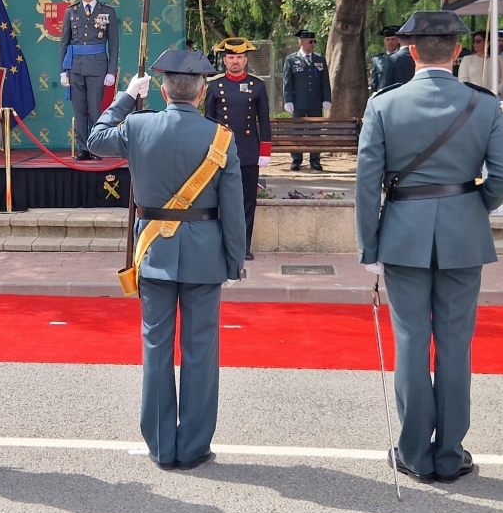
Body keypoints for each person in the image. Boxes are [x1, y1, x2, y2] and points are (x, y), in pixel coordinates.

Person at [356, 10, 503, 485]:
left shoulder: (384, 105)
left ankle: (413, 453)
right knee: (454, 345)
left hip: (403, 233)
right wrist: (473, 205)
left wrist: (369, 248)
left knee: (411, 342)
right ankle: (449, 454)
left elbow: (368, 184)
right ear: (456, 52)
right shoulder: (483, 103)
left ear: (411, 51)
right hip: (462, 231)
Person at [88, 49, 246, 470]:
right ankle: (193, 447)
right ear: (202, 90)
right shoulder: (220, 138)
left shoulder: (138, 126)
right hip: (204, 254)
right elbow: (234, 209)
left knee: (156, 349)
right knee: (200, 351)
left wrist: (125, 97)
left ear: (161, 88)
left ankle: (161, 444)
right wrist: (233, 262)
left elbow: (94, 138)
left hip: (154, 252)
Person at [204, 37, 270, 260]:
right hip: (222, 151)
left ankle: (244, 246)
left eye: (239, 57)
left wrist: (265, 151)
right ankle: (220, 244)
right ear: (224, 60)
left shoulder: (257, 85)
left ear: (246, 60)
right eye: (231, 57)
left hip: (248, 152)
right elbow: (208, 122)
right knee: (220, 200)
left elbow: (264, 121)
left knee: (247, 201)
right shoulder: (214, 85)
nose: (235, 61)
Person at [59, 0, 119, 160]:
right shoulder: (71, 11)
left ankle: (96, 147)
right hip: (75, 66)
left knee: (94, 109)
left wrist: (111, 71)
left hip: (98, 66)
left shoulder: (107, 11)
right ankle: (83, 148)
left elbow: (114, 44)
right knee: (79, 109)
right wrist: (63, 70)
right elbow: (64, 43)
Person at [282, 29, 331, 171]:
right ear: (302, 42)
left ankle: (315, 159)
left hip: (315, 101)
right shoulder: (291, 59)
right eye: (310, 41)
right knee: (297, 131)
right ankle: (296, 159)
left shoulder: (319, 59)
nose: (313, 44)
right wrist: (288, 100)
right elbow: (287, 82)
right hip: (298, 102)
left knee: (315, 131)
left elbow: (325, 81)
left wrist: (326, 99)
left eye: (314, 41)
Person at [456, 30, 503, 97]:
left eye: (478, 41)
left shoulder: (501, 59)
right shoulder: (467, 59)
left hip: (496, 97)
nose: (475, 44)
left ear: (488, 43)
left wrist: (495, 92)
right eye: (474, 41)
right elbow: (462, 81)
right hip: (473, 98)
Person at [369, 26, 401, 93]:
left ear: (398, 40)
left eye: (393, 39)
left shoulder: (404, 58)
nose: (390, 42)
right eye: (388, 39)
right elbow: (374, 83)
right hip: (383, 95)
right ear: (384, 41)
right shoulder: (377, 60)